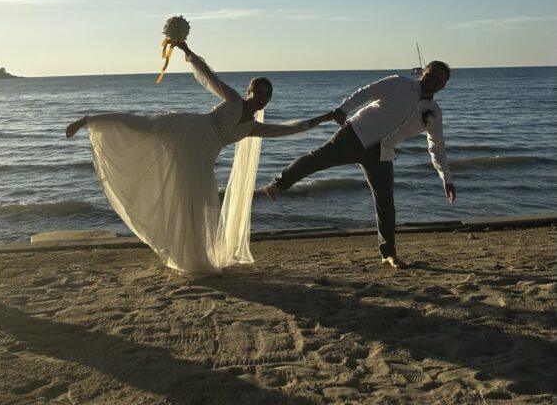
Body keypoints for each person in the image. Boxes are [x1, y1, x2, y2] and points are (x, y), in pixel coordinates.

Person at [66, 41, 334, 275]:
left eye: (267, 95)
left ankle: (193, 259)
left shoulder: (253, 127)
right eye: (259, 92)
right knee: (143, 125)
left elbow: (289, 129)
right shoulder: (234, 99)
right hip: (187, 128)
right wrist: (187, 51)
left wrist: (323, 119)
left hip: (202, 156)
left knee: (199, 203)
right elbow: (209, 76)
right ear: (250, 90)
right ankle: (89, 120)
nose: (263, 98)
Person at [262, 61, 456, 268]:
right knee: (316, 159)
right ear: (423, 72)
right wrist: (343, 109)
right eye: (431, 75)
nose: (432, 81)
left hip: (382, 153)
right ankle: (277, 185)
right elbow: (366, 93)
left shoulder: (434, 112)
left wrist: (446, 178)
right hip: (355, 134)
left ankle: (388, 253)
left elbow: (437, 146)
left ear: (442, 86)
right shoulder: (399, 83)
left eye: (438, 80)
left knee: (386, 203)